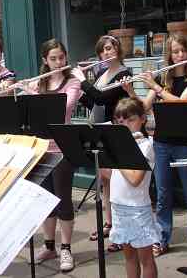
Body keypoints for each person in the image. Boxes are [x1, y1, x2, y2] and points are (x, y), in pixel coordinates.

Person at [123, 34, 187, 257]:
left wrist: (157, 87)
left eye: (183, 51)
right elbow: (143, 106)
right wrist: (131, 92)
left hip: (184, 143)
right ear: (169, 55)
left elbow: (183, 103)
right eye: (175, 52)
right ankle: (162, 238)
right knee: (163, 195)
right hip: (161, 143)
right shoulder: (164, 79)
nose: (179, 55)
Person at [20, 38, 81, 272]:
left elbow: (64, 106)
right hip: (40, 150)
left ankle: (66, 249)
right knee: (45, 202)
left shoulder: (72, 82)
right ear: (45, 60)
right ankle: (49, 246)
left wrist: (31, 93)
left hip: (63, 149)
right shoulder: (39, 83)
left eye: (61, 58)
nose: (58, 62)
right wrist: (23, 89)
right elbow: (29, 111)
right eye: (53, 58)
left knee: (63, 200)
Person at [71, 35, 132, 251]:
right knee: (105, 182)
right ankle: (109, 223)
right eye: (104, 49)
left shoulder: (124, 73)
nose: (108, 52)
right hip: (99, 130)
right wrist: (76, 92)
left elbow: (102, 99)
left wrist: (82, 79)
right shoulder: (103, 73)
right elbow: (91, 103)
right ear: (99, 54)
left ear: (118, 50)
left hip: (115, 130)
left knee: (115, 183)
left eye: (111, 47)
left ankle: (120, 232)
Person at [109, 97, 159, 278]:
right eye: (121, 122)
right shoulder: (122, 145)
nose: (126, 125)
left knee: (145, 258)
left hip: (137, 208)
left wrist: (116, 156)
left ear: (142, 119)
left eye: (131, 120)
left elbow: (135, 179)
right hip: (118, 205)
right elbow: (109, 177)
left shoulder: (145, 146)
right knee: (129, 257)